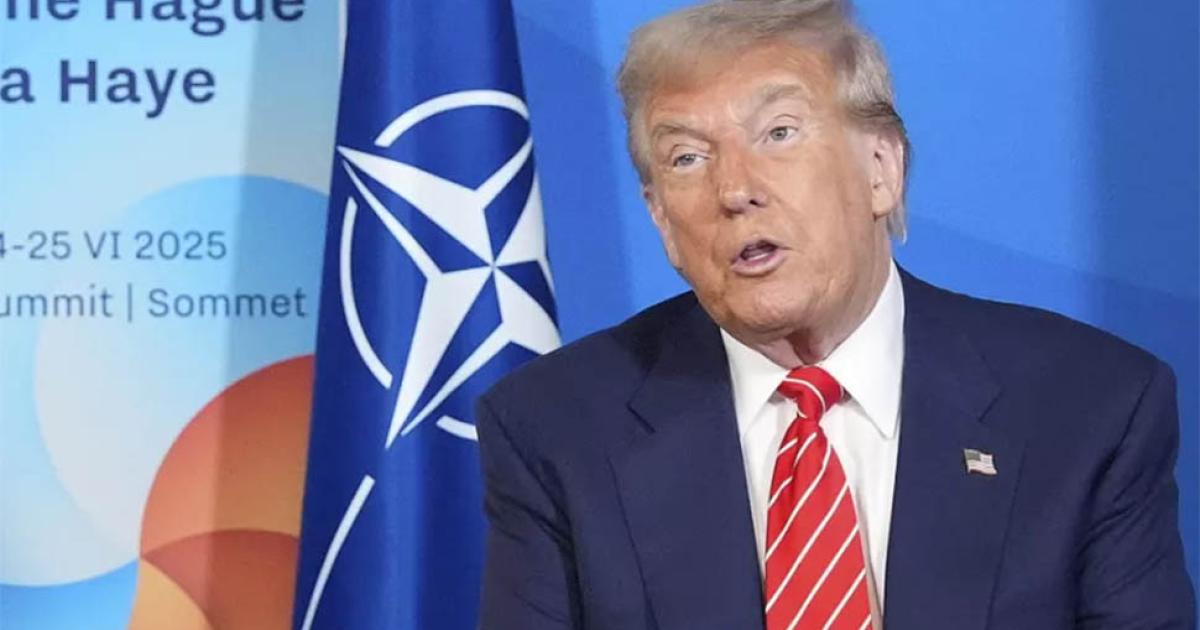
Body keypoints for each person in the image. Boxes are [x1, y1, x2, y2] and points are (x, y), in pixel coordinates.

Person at [475, 1, 1197, 628]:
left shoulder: (1088, 408)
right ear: (662, 220)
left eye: (779, 132)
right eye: (688, 158)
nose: (734, 190)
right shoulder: (558, 428)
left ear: (882, 169)